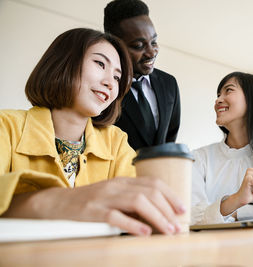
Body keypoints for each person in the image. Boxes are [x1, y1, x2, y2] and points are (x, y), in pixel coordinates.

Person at [0, 28, 185, 236]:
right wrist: (63, 202)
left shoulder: (116, 141)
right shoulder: (6, 126)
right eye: (100, 64)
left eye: (117, 77)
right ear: (64, 61)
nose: (110, 83)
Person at [191, 72, 253, 224]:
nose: (218, 100)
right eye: (218, 94)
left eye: (229, 90)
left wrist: (236, 213)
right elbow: (192, 218)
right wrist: (237, 199)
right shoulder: (198, 158)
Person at [104, 0, 181, 151]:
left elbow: (170, 138)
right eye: (139, 46)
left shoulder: (169, 83)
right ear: (114, 44)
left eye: (154, 42)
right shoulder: (104, 85)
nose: (151, 53)